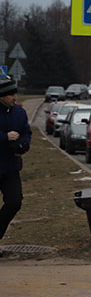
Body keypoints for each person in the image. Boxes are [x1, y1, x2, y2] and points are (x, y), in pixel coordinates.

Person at [0, 77, 31, 257]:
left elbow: (26, 132)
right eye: (11, 94)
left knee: (14, 202)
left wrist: (23, 146)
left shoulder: (20, 113)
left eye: (15, 93)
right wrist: (5, 137)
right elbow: (8, 136)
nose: (14, 97)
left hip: (11, 167)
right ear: (2, 96)